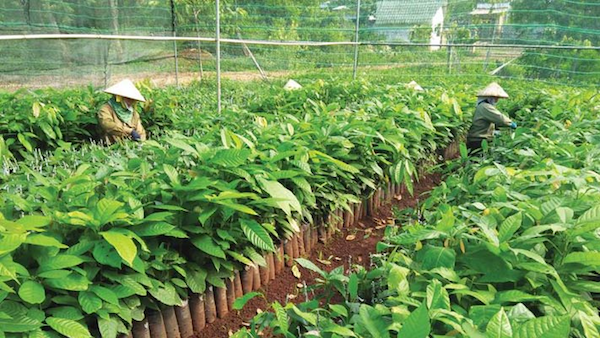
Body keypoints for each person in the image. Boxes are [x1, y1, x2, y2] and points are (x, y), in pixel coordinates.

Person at [466, 82, 517, 154]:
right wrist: (511, 124)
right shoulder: (485, 107)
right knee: (477, 161)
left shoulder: (482, 106)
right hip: (478, 140)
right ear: (490, 98)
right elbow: (500, 118)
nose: (496, 100)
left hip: (476, 139)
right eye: (495, 98)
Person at [97, 79, 147, 145]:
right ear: (119, 98)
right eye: (128, 99)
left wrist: (141, 141)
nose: (131, 102)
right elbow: (108, 125)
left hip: (130, 146)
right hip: (111, 146)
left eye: (133, 100)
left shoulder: (133, 113)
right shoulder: (106, 109)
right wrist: (130, 131)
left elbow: (140, 131)